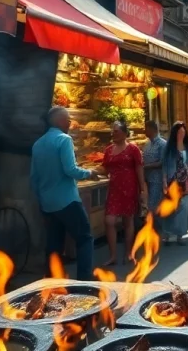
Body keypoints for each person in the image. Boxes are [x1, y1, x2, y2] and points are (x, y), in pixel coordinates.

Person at [31, 107, 99, 280]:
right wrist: (89, 172)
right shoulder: (64, 139)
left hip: (48, 203)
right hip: (67, 201)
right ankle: (85, 280)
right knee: (84, 238)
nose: (69, 123)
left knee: (54, 244)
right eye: (67, 120)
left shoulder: (38, 144)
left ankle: (52, 282)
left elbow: (34, 178)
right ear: (60, 121)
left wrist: (41, 202)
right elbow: (70, 170)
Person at [100, 120, 146, 266]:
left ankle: (128, 253)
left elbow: (139, 169)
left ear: (125, 133)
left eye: (116, 131)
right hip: (114, 189)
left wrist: (142, 189)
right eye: (112, 131)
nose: (113, 133)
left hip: (129, 188)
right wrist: (91, 173)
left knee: (128, 221)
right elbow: (105, 169)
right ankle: (113, 255)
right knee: (109, 221)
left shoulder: (133, 149)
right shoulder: (108, 150)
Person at [161, 122, 188, 246]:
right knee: (170, 209)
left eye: (183, 132)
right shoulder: (168, 148)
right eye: (179, 132)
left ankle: (180, 235)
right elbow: (164, 166)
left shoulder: (187, 146)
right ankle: (167, 235)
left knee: (183, 209)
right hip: (172, 181)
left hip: (184, 181)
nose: (181, 134)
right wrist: (164, 182)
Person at [142, 121, 167, 216]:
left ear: (152, 129)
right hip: (146, 179)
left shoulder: (162, 144)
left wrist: (147, 166)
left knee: (153, 205)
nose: (144, 130)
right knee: (148, 204)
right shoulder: (147, 144)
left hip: (157, 179)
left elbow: (163, 162)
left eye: (146, 128)